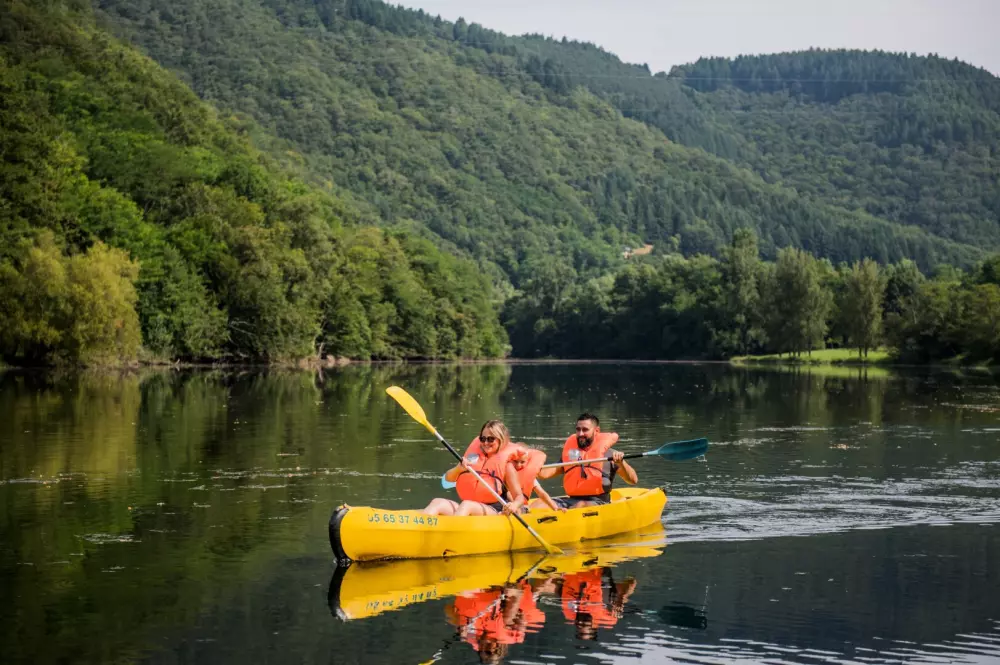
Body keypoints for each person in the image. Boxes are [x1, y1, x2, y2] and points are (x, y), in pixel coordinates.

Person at [535, 412, 637, 510]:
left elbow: (633, 480)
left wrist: (621, 463)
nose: (580, 433)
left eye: (585, 430)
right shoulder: (572, 454)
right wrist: (531, 466)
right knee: (539, 503)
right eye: (578, 429)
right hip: (572, 501)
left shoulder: (610, 455)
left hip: (598, 503)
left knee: (582, 505)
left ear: (596, 431)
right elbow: (546, 473)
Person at [423, 420, 523, 516]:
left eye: (491, 439)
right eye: (483, 439)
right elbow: (447, 481)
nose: (486, 443)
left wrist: (514, 505)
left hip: (494, 510)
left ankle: (453, 532)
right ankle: (419, 528)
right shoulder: (472, 458)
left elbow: (519, 497)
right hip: (467, 507)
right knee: (437, 502)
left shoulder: (507, 466)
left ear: (501, 440)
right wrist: (458, 469)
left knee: (467, 505)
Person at [501, 445, 563, 515]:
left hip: (521, 507)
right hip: (507, 505)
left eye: (522, 462)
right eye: (515, 461)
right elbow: (508, 493)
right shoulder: (505, 473)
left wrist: (555, 507)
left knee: (518, 509)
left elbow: (542, 494)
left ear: (527, 462)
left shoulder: (529, 475)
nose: (518, 465)